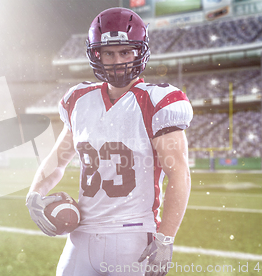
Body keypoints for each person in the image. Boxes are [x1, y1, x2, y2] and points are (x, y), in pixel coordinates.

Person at [26, 7, 193, 276]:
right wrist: (34, 193)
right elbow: (57, 160)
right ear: (96, 55)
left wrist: (165, 238)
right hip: (81, 235)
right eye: (109, 53)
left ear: (140, 52)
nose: (117, 61)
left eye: (125, 52)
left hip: (133, 236)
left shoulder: (157, 101)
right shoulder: (78, 100)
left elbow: (179, 175)